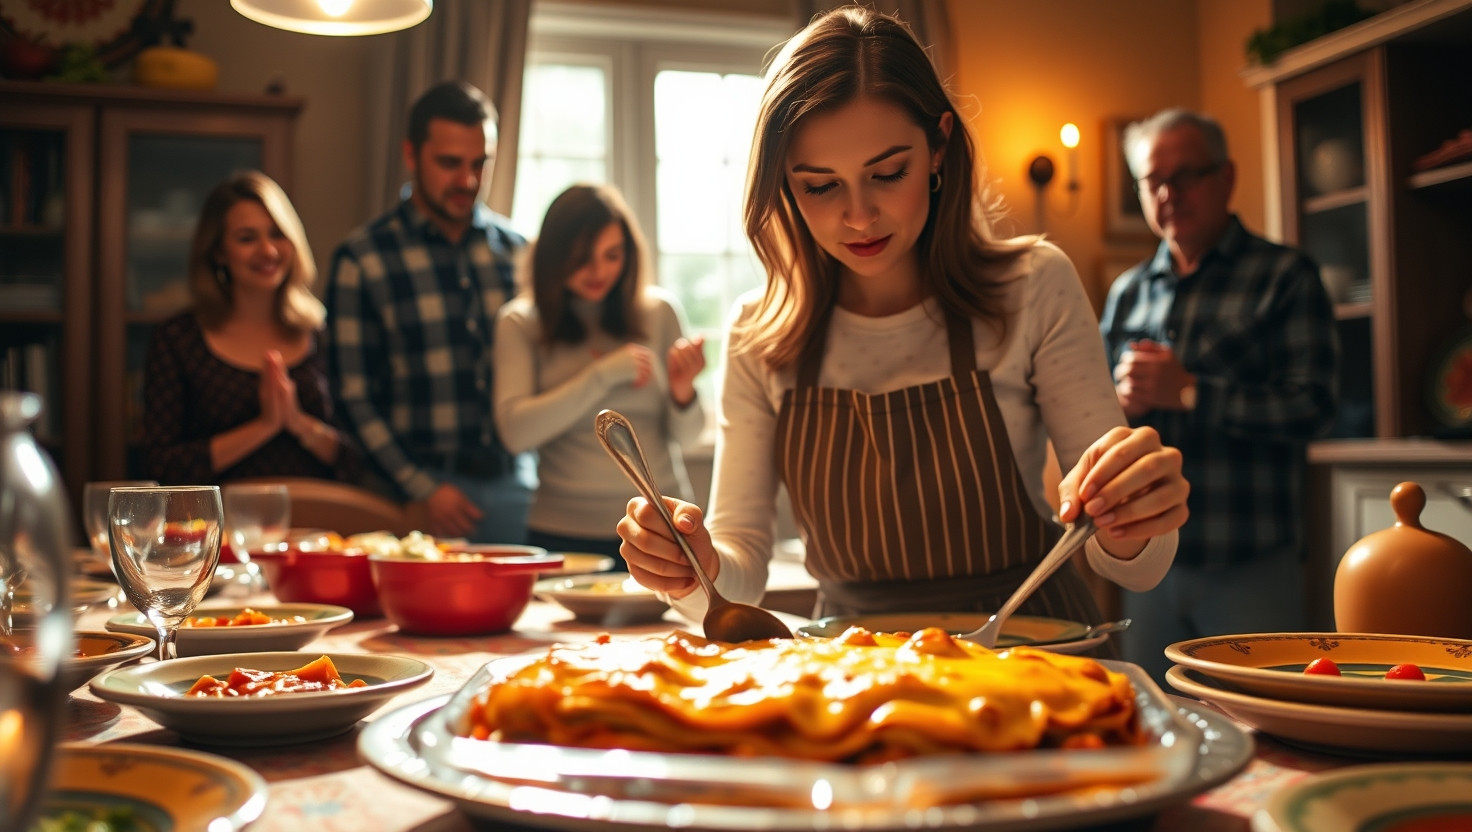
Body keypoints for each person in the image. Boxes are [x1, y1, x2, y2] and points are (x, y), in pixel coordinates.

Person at [616, 6, 1190, 632]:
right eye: (820, 186)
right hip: (853, 671)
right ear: (784, 183)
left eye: (888, 173)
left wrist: (1134, 514)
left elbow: (1137, 569)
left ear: (939, 145)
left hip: (1029, 648)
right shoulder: (762, 333)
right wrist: (694, 567)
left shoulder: (1032, 287)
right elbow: (741, 569)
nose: (859, 216)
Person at [1100, 108, 1338, 682]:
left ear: (1227, 177)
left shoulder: (1286, 276)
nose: (1168, 193)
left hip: (1252, 563)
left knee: (1265, 728)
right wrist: (1124, 407)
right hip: (1150, 565)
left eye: (1186, 175)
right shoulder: (1127, 292)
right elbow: (1098, 421)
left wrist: (1190, 393)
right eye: (1153, 181)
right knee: (1155, 723)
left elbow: (1315, 407)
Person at [325, 80, 533, 543]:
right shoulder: (362, 259)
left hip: (517, 485)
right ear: (411, 155)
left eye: (480, 164)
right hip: (413, 496)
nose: (468, 181)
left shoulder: (519, 253)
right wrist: (423, 488)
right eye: (450, 163)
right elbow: (353, 398)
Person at [494, 184, 706, 567]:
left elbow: (687, 439)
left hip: (659, 524)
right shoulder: (520, 322)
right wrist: (602, 376)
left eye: (613, 255)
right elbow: (515, 433)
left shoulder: (659, 312)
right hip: (562, 532)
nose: (599, 271)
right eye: (581, 258)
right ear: (553, 258)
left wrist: (682, 393)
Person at [142, 170, 353, 486]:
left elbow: (358, 461)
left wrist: (297, 423)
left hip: (320, 528)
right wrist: (265, 426)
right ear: (218, 252)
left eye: (277, 234)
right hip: (219, 529)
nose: (268, 251)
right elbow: (160, 466)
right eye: (247, 238)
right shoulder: (177, 339)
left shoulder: (323, 333)